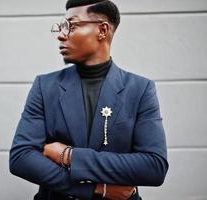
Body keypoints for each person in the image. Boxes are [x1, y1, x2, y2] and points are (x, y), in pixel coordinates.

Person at [9, 0, 169, 199]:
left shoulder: (140, 89)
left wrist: (68, 156)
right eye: (61, 27)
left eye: (71, 26)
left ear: (102, 30)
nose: (61, 34)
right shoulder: (45, 86)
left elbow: (154, 167)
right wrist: (96, 189)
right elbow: (21, 158)